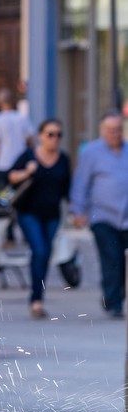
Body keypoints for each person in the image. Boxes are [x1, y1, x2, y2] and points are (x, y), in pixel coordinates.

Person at [7, 119, 72, 319]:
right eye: (50, 134)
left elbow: (67, 189)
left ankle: (38, 297)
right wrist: (28, 171)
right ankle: (35, 300)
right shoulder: (28, 156)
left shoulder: (63, 160)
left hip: (52, 214)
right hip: (28, 213)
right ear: (40, 136)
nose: (55, 139)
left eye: (59, 135)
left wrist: (78, 211)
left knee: (44, 255)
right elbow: (10, 177)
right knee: (40, 250)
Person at [70, 111, 128, 318]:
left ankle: (114, 295)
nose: (116, 134)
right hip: (102, 217)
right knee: (111, 258)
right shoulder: (91, 152)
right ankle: (114, 303)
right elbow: (81, 183)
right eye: (111, 130)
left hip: (126, 218)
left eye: (119, 130)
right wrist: (78, 210)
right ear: (102, 131)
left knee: (122, 260)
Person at [0, 87, 34, 195]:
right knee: (18, 195)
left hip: (3, 163)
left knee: (2, 197)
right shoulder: (22, 118)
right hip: (20, 164)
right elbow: (31, 142)